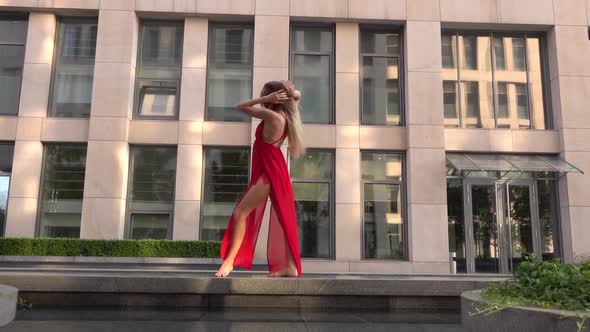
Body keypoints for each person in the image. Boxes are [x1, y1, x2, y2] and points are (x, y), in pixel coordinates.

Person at [215, 80, 305, 278]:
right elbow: (296, 96)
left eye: (265, 95)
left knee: (240, 214)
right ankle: (291, 266)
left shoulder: (272, 116)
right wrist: (291, 92)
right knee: (283, 218)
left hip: (269, 172)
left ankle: (229, 263)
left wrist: (264, 99)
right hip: (274, 168)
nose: (263, 99)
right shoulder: (287, 114)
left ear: (273, 98)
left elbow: (241, 106)